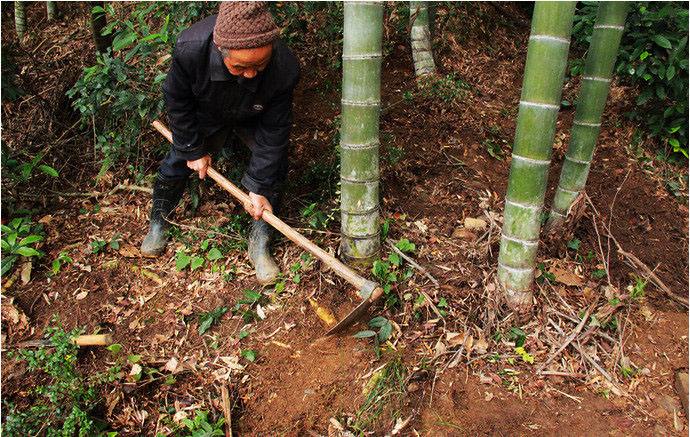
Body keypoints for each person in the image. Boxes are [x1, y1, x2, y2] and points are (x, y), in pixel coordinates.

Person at [140, 1, 299, 285]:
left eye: (259, 65)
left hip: (255, 114)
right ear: (220, 49)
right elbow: (177, 99)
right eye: (241, 67)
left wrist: (259, 187)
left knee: (273, 170)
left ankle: (259, 241)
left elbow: (275, 131)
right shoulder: (191, 48)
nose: (251, 73)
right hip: (206, 110)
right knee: (177, 162)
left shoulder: (284, 67)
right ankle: (158, 223)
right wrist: (192, 148)